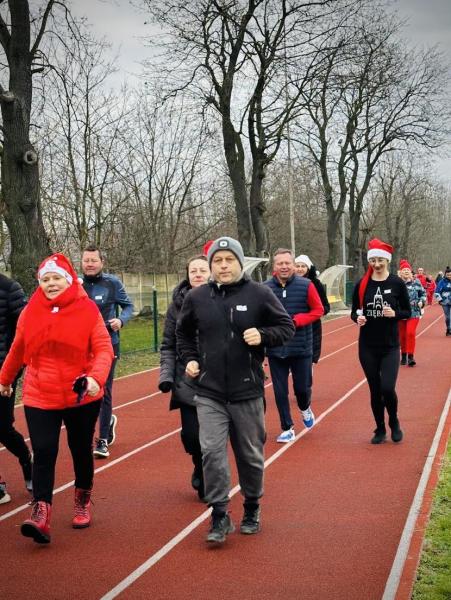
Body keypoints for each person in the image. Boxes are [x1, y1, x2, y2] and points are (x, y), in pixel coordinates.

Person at [176, 237, 295, 544]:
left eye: (229, 259)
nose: (224, 265)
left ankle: (252, 507)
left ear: (240, 263)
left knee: (250, 457)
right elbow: (183, 334)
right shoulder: (197, 298)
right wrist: (189, 359)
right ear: (211, 265)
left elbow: (287, 327)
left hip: (247, 391)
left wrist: (264, 335)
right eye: (218, 260)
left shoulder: (259, 294)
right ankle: (219, 514)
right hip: (210, 392)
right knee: (212, 454)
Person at [0, 254, 113, 543]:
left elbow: (103, 349)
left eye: (56, 278)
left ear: (68, 279)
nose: (51, 283)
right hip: (41, 394)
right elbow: (17, 348)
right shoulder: (30, 312)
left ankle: (82, 498)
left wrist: (95, 379)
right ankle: (41, 513)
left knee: (79, 448)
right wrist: (4, 379)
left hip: (81, 395)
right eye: (45, 279)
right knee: (45, 450)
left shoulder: (87, 310)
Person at [159, 254, 211, 501]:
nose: (198, 274)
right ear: (188, 275)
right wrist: (166, 376)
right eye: (194, 271)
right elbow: (168, 345)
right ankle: (198, 463)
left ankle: (210, 477)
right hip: (187, 379)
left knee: (212, 436)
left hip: (217, 380)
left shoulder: (223, 300)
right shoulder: (176, 307)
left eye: (203, 270)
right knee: (191, 437)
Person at [351, 239, 411, 445]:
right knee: (375, 390)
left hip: (390, 346)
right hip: (367, 346)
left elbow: (407, 311)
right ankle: (380, 428)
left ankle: (393, 421)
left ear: (387, 261)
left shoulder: (396, 283)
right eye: (373, 260)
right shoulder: (362, 284)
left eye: (380, 261)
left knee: (387, 387)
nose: (376, 264)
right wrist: (357, 318)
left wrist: (394, 313)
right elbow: (354, 312)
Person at [264, 249, 324, 443]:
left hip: (301, 347)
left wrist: (297, 320)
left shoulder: (306, 285)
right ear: (274, 266)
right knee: (280, 391)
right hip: (276, 348)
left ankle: (305, 408)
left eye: (287, 263)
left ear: (292, 265)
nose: (284, 266)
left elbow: (318, 311)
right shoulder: (265, 288)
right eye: (280, 263)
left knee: (302, 389)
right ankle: (287, 427)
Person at [81, 245, 134, 458]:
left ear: (102, 262)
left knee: (103, 390)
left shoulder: (112, 283)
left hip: (107, 344)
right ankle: (102, 424)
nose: (90, 264)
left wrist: (121, 320)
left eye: (94, 260)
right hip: (81, 346)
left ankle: (102, 439)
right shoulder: (75, 284)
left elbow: (129, 306)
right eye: (86, 260)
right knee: (82, 389)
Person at [0, 273, 32, 504]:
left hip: (3, 372)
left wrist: (12, 374)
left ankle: (25, 459)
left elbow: (24, 334)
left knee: (2, 428)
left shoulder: (10, 288)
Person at [295, 254, 330, 363]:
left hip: (312, 328)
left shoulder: (316, 284)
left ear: (308, 268)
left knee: (307, 363)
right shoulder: (287, 283)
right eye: (298, 266)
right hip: (292, 326)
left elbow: (326, 306)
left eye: (303, 266)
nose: (300, 269)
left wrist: (313, 313)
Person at [398, 259, 426, 366]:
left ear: (410, 272)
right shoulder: (397, 283)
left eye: (407, 270)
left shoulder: (416, 283)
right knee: (402, 336)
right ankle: (403, 354)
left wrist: (421, 301)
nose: (406, 271)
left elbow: (423, 294)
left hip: (414, 312)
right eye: (404, 270)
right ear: (400, 272)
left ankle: (410, 356)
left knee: (410, 333)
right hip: (400, 313)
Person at [434, 266, 451, 336]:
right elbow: (437, 292)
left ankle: (450, 329)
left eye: (450, 275)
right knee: (447, 317)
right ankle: (448, 328)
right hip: (445, 302)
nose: (449, 276)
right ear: (445, 275)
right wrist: (440, 300)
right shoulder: (442, 282)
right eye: (448, 275)